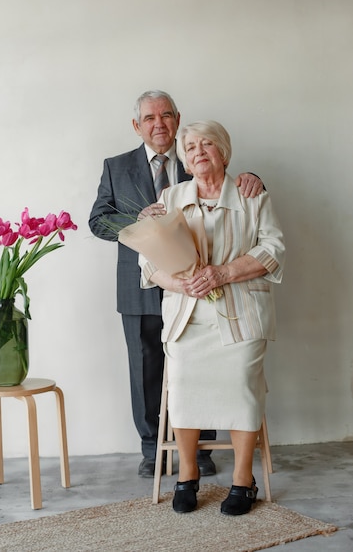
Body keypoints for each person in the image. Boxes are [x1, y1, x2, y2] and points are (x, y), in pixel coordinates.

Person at [89, 91, 264, 478]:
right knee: (145, 368)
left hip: (200, 289)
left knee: (203, 367)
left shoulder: (193, 155)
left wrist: (254, 177)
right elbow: (98, 221)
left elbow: (227, 183)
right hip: (140, 287)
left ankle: (201, 449)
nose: (159, 124)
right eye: (150, 118)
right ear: (138, 126)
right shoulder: (116, 167)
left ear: (177, 119)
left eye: (166, 116)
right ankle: (153, 450)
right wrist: (141, 222)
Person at [139, 119, 285, 515]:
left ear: (224, 151)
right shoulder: (170, 198)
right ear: (184, 160)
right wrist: (181, 283)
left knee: (242, 384)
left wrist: (223, 273)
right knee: (183, 385)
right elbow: (148, 261)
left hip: (242, 310)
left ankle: (243, 480)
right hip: (188, 314)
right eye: (191, 148)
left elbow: (274, 248)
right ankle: (187, 476)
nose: (199, 151)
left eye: (208, 144)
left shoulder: (251, 193)